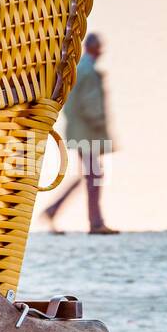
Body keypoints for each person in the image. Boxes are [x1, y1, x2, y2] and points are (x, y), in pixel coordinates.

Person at [44, 33, 118, 234]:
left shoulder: (79, 68)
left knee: (91, 175)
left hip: (81, 133)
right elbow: (91, 105)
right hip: (88, 134)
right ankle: (95, 222)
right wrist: (100, 124)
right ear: (93, 47)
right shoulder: (88, 71)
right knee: (94, 176)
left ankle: (55, 210)